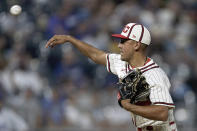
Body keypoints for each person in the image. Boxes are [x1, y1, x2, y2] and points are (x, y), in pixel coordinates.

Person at [45, 23, 177, 131]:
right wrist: (70, 39)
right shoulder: (123, 63)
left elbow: (162, 113)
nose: (119, 45)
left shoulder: (154, 75)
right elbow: (96, 55)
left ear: (136, 45)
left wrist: (129, 106)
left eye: (124, 41)